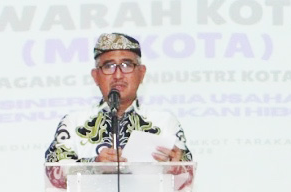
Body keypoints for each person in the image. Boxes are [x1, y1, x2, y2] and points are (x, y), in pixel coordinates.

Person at [45, 32, 192, 164]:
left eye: (126, 65)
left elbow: (187, 175)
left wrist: (177, 166)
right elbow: (54, 171)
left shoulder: (165, 123)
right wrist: (94, 164)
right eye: (109, 66)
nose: (118, 75)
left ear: (141, 73)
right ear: (95, 76)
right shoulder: (73, 122)